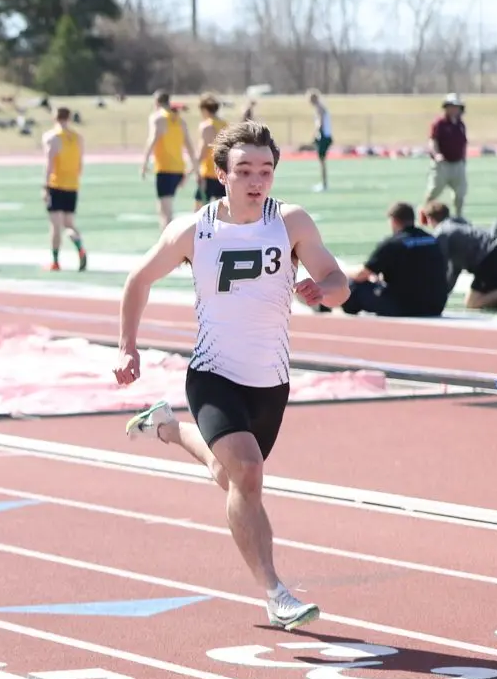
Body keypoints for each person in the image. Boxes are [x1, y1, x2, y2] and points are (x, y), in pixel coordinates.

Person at [116, 122, 349, 631]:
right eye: (243, 171)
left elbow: (339, 284)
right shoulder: (192, 230)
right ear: (220, 174)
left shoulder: (290, 222)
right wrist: (127, 346)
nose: (255, 180)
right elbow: (139, 279)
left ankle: (168, 428)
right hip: (213, 373)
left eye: (265, 170)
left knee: (229, 478)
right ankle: (275, 592)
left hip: (270, 381)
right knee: (246, 473)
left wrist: (321, 290)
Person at [340, 203, 452, 318]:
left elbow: (361, 274)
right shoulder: (432, 240)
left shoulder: (393, 243)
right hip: (435, 305)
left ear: (393, 220)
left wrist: (343, 272)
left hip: (402, 306)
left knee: (351, 286)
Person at [422, 200, 497, 312]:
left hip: (489, 257)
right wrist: (443, 294)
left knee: (473, 302)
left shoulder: (442, 232)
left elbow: (441, 267)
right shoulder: (459, 224)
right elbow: (453, 272)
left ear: (429, 219)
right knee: (491, 300)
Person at [41, 104, 87, 272]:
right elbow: (81, 163)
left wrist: (45, 186)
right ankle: (80, 246)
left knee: (55, 226)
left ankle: (55, 260)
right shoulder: (77, 137)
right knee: (69, 224)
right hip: (72, 184)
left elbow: (49, 164)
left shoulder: (52, 137)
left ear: (55, 117)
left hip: (56, 184)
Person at [140, 92, 189, 226]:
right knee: (166, 209)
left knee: (165, 211)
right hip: (179, 168)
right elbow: (189, 145)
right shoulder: (180, 120)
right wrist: (192, 169)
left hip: (165, 169)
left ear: (156, 102)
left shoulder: (157, 118)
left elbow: (152, 140)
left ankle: (170, 243)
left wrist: (144, 162)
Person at [427, 93, 469, 217]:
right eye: (451, 106)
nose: (454, 109)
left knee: (460, 194)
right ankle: (426, 215)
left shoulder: (460, 124)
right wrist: (437, 154)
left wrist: (463, 158)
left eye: (456, 106)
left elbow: (463, 142)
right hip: (442, 164)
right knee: (434, 192)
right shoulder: (439, 124)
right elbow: (433, 141)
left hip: (458, 164)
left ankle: (459, 217)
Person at [194, 94, 226, 205]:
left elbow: (202, 151)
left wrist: (193, 169)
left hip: (208, 173)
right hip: (223, 172)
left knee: (199, 211)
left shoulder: (206, 126)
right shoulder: (225, 124)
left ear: (204, 109)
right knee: (222, 212)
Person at [307, 90, 333, 192]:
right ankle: (323, 183)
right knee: (322, 161)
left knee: (322, 160)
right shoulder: (320, 107)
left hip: (324, 136)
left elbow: (321, 123)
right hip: (324, 135)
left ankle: (324, 184)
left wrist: (316, 134)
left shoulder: (320, 108)